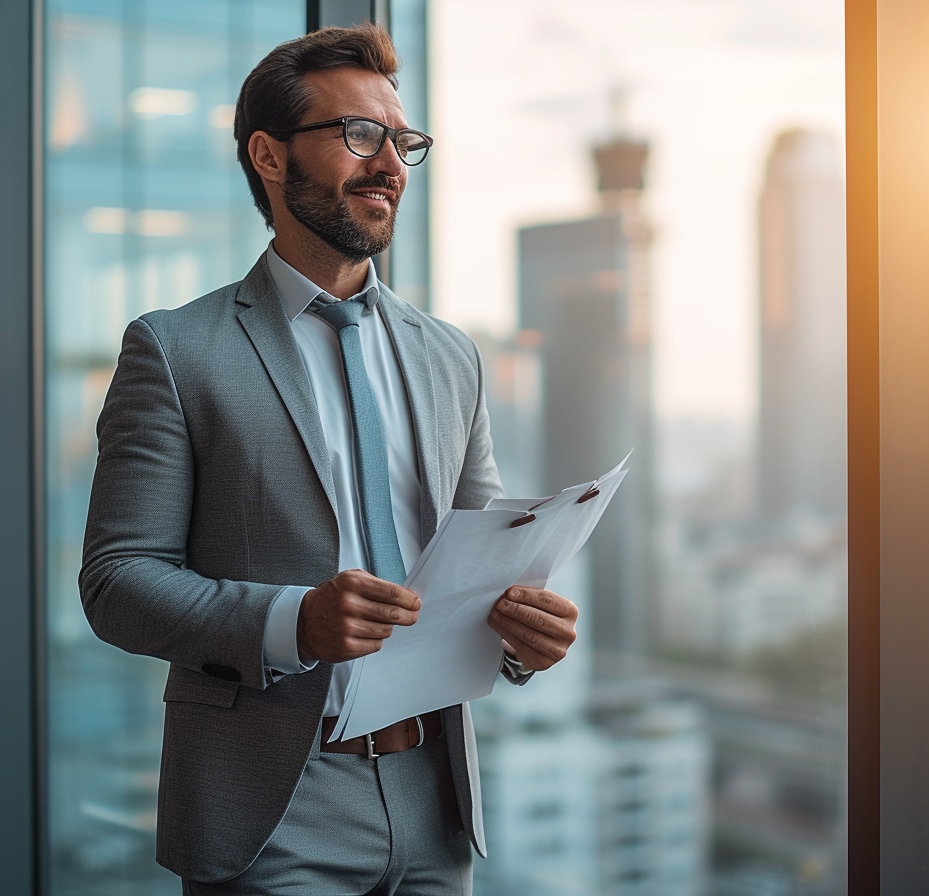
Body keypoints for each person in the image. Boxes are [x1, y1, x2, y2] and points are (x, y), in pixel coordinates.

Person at [80, 23, 578, 895]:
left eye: (402, 141)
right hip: (274, 807)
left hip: (436, 801)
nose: (389, 163)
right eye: (359, 135)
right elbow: (118, 582)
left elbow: (478, 559)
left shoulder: (451, 355)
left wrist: (519, 636)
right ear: (269, 158)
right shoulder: (175, 350)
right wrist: (293, 622)